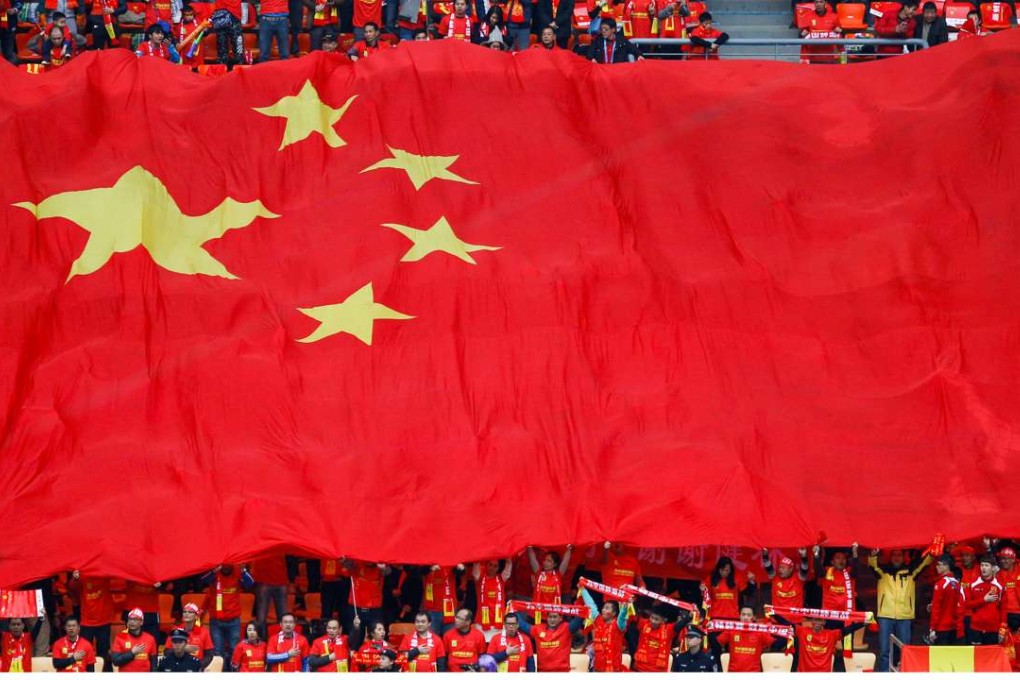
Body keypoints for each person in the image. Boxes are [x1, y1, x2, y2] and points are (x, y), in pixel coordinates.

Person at [867, 548, 931, 672]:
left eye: (899, 555)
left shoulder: (911, 570)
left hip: (905, 616)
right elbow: (872, 565)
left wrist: (933, 551)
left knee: (904, 650)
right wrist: (872, 555)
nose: (897, 558)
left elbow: (925, 562)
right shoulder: (883, 570)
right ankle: (885, 674)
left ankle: (902, 674)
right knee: (885, 650)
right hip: (885, 615)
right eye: (894, 555)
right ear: (890, 557)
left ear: (903, 557)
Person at [772, 613, 869, 673]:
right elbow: (786, 623)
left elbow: (848, 629)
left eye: (820, 620)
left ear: (824, 622)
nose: (818, 622)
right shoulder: (802, 631)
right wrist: (773, 614)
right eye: (815, 619)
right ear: (812, 621)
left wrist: (863, 623)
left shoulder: (831, 635)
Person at [200, 563, 253, 665]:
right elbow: (203, 581)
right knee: (218, 651)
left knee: (234, 650)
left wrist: (244, 571)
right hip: (216, 621)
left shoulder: (238, 571)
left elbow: (250, 584)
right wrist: (214, 571)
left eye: (229, 564)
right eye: (224, 564)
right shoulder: (215, 572)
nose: (226, 566)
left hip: (233, 620)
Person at [712, 607, 780, 672]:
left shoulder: (760, 631)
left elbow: (776, 643)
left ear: (754, 617)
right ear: (739, 616)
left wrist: (788, 634)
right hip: (733, 673)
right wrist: (709, 628)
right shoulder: (732, 629)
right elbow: (716, 642)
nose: (746, 617)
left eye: (749, 615)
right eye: (743, 615)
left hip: (753, 673)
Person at [67, 572, 113, 668]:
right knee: (84, 653)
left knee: (104, 654)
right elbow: (71, 587)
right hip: (87, 621)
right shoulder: (80, 574)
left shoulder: (104, 571)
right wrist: (75, 578)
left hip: (103, 621)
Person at [580, 587, 629, 672]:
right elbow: (591, 605)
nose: (603, 610)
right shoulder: (598, 620)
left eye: (606, 608)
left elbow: (622, 616)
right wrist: (583, 589)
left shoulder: (618, 625)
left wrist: (625, 606)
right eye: (603, 608)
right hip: (598, 668)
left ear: (614, 613)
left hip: (614, 670)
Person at [627, 606, 690, 672]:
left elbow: (680, 625)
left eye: (656, 619)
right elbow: (632, 617)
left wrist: (690, 616)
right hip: (639, 668)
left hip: (657, 671)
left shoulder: (669, 630)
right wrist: (628, 603)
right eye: (652, 617)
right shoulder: (644, 624)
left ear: (663, 620)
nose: (653, 621)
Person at [519, 609, 584, 672]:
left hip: (562, 674)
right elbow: (522, 625)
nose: (552, 620)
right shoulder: (538, 629)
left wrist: (584, 607)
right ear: (547, 618)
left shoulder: (567, 628)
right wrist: (512, 610)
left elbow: (579, 619)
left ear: (560, 618)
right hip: (543, 674)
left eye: (555, 617)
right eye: (550, 617)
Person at [963, 555, 1006, 645]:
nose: (983, 568)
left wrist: (1002, 629)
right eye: (982, 565)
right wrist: (984, 600)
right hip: (976, 628)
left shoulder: (1000, 586)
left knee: (991, 657)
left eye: (986, 565)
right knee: (977, 658)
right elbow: (967, 604)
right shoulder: (973, 584)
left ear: (992, 568)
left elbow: (1003, 608)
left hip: (993, 629)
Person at [344, 560, 391, 639]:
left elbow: (388, 572)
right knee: (356, 636)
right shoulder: (356, 564)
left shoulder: (380, 565)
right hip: (356, 608)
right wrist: (344, 560)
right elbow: (346, 565)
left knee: (378, 635)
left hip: (374, 609)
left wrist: (384, 568)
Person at [526, 545, 574, 623]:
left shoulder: (558, 575)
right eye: (545, 560)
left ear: (555, 564)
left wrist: (568, 549)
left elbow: (565, 562)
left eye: (549, 561)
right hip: (536, 614)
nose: (545, 563)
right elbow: (532, 560)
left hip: (552, 616)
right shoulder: (539, 573)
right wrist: (529, 547)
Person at [701, 557, 754, 621]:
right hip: (715, 616)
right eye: (722, 570)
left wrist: (751, 581)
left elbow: (748, 592)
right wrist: (702, 590)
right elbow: (705, 598)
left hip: (733, 617)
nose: (724, 572)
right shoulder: (711, 579)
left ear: (730, 570)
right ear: (718, 569)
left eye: (726, 570)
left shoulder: (737, 578)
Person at [473, 560, 512, 640]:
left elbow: (508, 565)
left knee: (497, 648)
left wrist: (508, 557)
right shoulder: (479, 578)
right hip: (482, 621)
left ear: (498, 568)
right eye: (490, 564)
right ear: (486, 565)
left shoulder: (501, 579)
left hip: (497, 622)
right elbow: (476, 566)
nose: (492, 568)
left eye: (495, 566)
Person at [928, 554, 963, 645]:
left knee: (940, 657)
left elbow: (936, 608)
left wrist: (933, 628)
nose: (937, 567)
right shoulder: (957, 583)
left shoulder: (940, 584)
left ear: (946, 566)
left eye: (939, 564)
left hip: (941, 627)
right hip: (954, 627)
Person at [252, 556, 290, 634]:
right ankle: (262, 640)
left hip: (276, 580)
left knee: (263, 616)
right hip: (270, 580)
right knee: (263, 617)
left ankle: (263, 639)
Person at [176, 603, 214, 669]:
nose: (186, 614)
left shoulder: (204, 632)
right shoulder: (176, 631)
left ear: (196, 616)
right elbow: (167, 652)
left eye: (190, 612)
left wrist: (198, 666)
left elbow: (209, 655)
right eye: (184, 612)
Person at [211, 0, 245, 66]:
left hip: (232, 16)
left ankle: (239, 70)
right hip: (222, 16)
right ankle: (222, 71)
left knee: (238, 49)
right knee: (223, 49)